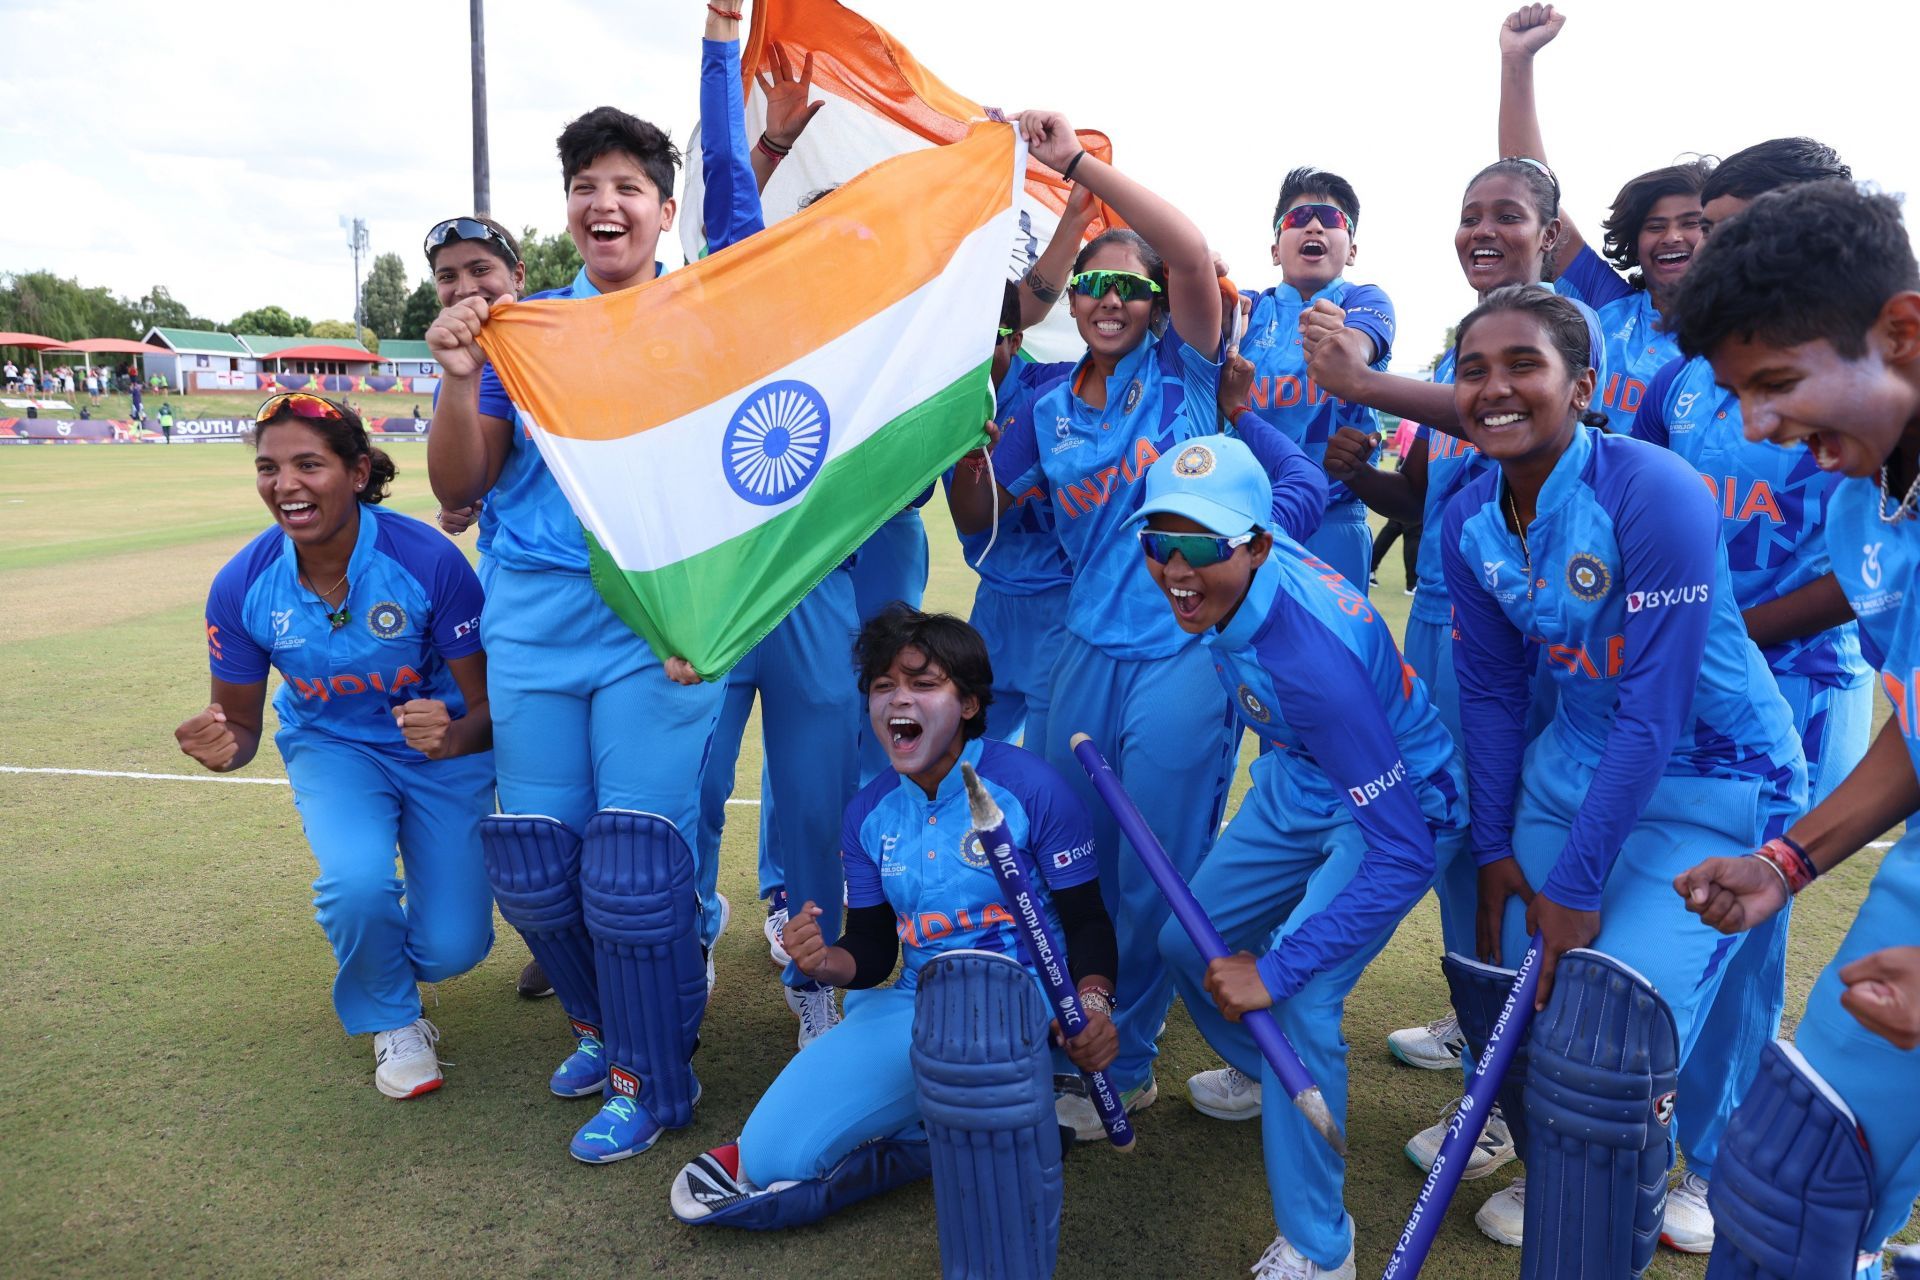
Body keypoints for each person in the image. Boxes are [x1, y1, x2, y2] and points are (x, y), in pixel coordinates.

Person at [422, 3, 763, 1162]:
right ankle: (601, 1022)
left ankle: (651, 1074)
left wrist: (713, 616)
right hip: (530, 622)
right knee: (532, 857)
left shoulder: (703, 320)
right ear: (565, 208)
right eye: (585, 186)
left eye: (628, 185)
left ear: (666, 209)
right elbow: (462, 480)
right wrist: (463, 375)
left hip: (653, 630)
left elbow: (757, 483)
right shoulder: (527, 330)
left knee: (629, 863)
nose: (603, 203)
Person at [948, 108, 1328, 1141]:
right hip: (1077, 650)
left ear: (1159, 305)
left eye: (1132, 286)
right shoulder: (1051, 402)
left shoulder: (1188, 378)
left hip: (1184, 657)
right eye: (1094, 284)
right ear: (1073, 299)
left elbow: (1197, 253)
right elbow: (980, 520)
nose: (1110, 298)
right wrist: (966, 451)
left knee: (1157, 868)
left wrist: (1075, 167)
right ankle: (1083, 1028)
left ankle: (1142, 1053)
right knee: (1066, 859)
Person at [1439, 286, 1806, 1251]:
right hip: (1576, 768)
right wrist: (1492, 848)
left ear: (1584, 386)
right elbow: (1487, 695)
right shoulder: (1469, 514)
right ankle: (1565, 1161)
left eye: (1524, 365)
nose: (1495, 388)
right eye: (1473, 369)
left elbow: (1656, 707)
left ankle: (1695, 1171)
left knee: (1625, 1021)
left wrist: (1576, 881)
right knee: (1534, 1006)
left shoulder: (1654, 488)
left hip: (1718, 780)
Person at [667, 607, 1117, 1229]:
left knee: (966, 1085)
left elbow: (1089, 922)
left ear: (968, 704)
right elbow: (876, 949)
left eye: (923, 684)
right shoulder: (869, 813)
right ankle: (943, 1136)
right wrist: (825, 961)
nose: (897, 700)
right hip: (921, 1006)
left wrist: (1091, 1009)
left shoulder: (1031, 788)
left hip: (1020, 1008)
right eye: (883, 687)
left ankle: (984, 1112)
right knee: (772, 1155)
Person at [1666, 179, 1920, 1280]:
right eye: (1738, 392)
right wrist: (1786, 860)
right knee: (1788, 1186)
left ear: (1903, 334)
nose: (1759, 425)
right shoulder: (1869, 501)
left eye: (1776, 382)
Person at [1315, 158, 1605, 1120]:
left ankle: (1519, 1077)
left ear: (1551, 231)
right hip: (1439, 616)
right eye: (1469, 214)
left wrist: (1364, 383)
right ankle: (1479, 1010)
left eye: (1510, 216)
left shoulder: (1552, 346)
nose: (1484, 229)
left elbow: (1517, 431)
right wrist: (1364, 478)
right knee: (1457, 834)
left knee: (1515, 837)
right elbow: (1431, 500)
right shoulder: (1461, 356)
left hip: (1525, 634)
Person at [1136, 437, 1466, 1279]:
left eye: (1201, 546)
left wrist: (1278, 971)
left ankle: (1323, 1248)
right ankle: (1269, 1080)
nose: (1177, 566)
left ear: (1253, 544)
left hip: (1395, 805)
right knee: (1187, 943)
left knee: (1301, 1002)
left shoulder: (1311, 663)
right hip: (1299, 778)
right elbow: (1295, 476)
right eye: (1158, 542)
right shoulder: (1249, 548)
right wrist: (1242, 411)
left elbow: (1402, 852)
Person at [1624, 136, 1871, 1251]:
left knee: (1747, 947)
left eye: (1730, 225)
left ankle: (1708, 1158)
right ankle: (1631, 1120)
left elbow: (1857, 587)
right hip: (1682, 690)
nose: (1705, 243)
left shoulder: (1858, 417)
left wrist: (1712, 636)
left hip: (1796, 693)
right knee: (1677, 897)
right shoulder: (1688, 379)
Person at [173, 392, 495, 1099]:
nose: (285, 484)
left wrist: (451, 737)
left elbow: (489, 709)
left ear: (355, 473)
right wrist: (224, 744)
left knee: (453, 948)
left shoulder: (428, 559)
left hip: (443, 756)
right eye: (268, 467)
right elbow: (245, 729)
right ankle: (394, 1021)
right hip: (333, 749)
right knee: (355, 885)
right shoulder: (242, 584)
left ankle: (395, 968)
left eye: (308, 464)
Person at [419, 212, 547, 1001]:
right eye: (448, 277)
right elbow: (457, 483)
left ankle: (638, 925)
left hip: (599, 595)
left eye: (481, 270)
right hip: (512, 591)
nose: (465, 287)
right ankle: (554, 930)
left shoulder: (558, 332)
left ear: (519, 276)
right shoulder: (468, 362)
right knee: (528, 776)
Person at [1495, 5, 1712, 432]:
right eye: (1655, 226)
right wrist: (1517, 61)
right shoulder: (1604, 304)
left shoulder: (1742, 334)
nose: (1672, 236)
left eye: (1692, 223)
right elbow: (1531, 189)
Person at [1239, 167, 1397, 591]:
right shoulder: (1245, 311)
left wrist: (1344, 342)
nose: (1313, 224)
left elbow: (1358, 348)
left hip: (1334, 519)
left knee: (1330, 652)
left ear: (1352, 250)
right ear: (1275, 250)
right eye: (1297, 218)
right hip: (1247, 516)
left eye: (1331, 220)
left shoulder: (1364, 300)